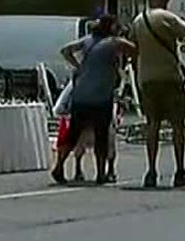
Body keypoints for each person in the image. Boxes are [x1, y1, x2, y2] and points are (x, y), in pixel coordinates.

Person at [132, 0, 185, 188]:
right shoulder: (167, 17)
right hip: (169, 78)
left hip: (146, 79)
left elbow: (133, 46)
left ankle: (151, 171)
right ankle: (180, 170)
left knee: (152, 125)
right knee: (177, 125)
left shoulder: (138, 21)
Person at [52, 15, 133, 185]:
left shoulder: (87, 41)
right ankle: (101, 173)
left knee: (73, 134)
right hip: (101, 96)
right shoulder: (113, 42)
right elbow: (134, 49)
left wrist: (79, 66)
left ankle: (59, 166)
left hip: (81, 95)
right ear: (110, 27)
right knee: (101, 134)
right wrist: (124, 34)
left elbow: (65, 50)